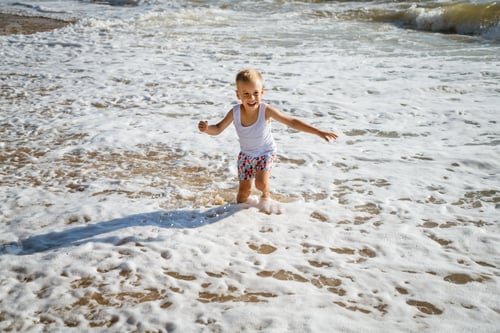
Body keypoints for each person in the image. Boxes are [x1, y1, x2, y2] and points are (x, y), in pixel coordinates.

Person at [198, 69, 338, 205]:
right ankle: (241, 218)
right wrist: (206, 129)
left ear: (262, 92)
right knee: (242, 196)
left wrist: (318, 132)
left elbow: (291, 122)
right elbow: (218, 129)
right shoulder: (235, 112)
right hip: (246, 156)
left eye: (255, 93)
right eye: (246, 93)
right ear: (238, 95)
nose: (251, 98)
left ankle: (266, 197)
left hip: (265, 152)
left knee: (260, 184)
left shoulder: (265, 110)